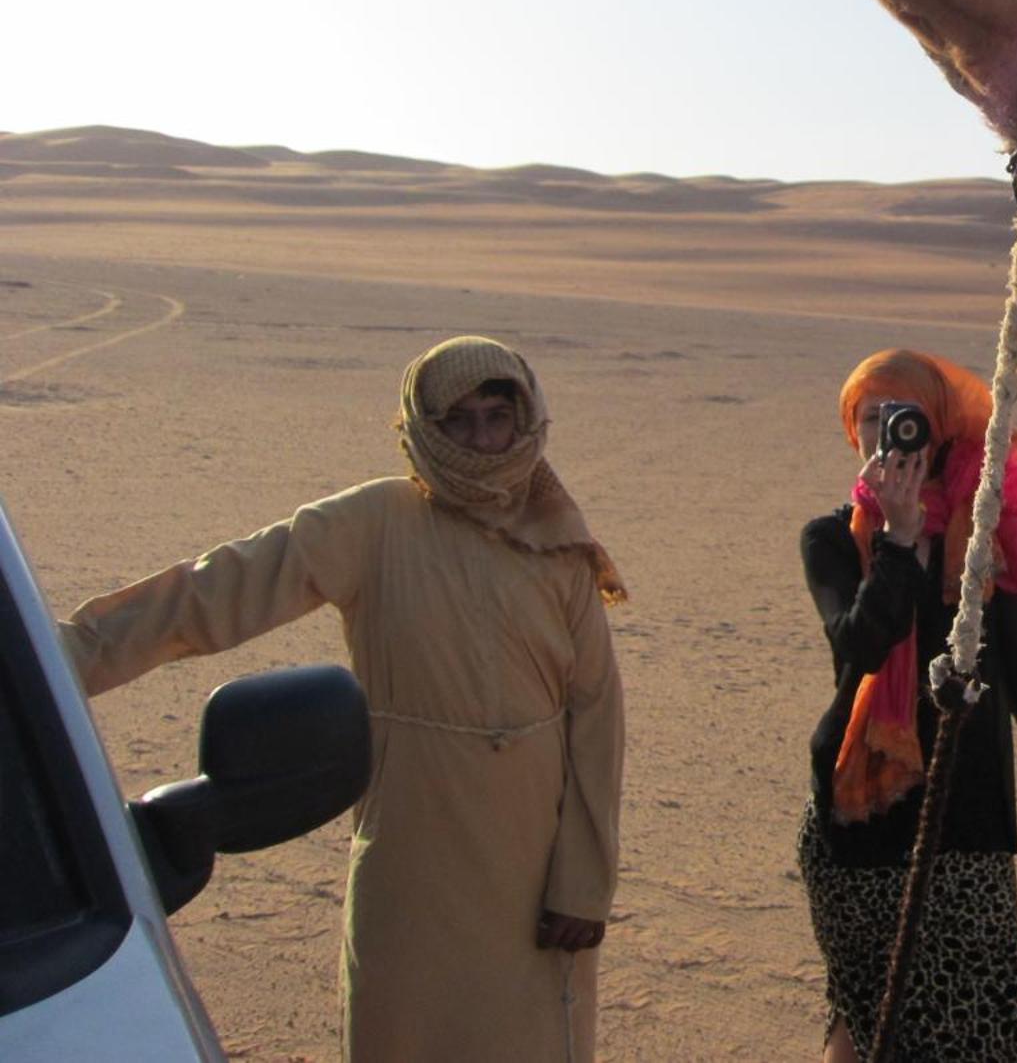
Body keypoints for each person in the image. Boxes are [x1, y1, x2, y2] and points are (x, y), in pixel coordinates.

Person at [57, 335, 626, 1063]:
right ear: (423, 428)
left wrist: (583, 884)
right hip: (412, 850)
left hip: (534, 870)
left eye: (497, 417)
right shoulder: (375, 522)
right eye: (458, 421)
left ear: (528, 422)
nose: (482, 439)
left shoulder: (560, 545)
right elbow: (219, 589)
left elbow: (597, 720)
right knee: (402, 1030)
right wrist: (59, 659)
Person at [798, 348, 1017, 1063]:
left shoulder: (980, 534)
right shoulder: (833, 539)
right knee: (866, 1011)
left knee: (975, 1023)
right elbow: (859, 650)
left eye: (903, 419)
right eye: (870, 419)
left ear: (937, 431)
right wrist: (897, 543)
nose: (885, 434)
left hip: (967, 806)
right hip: (859, 810)